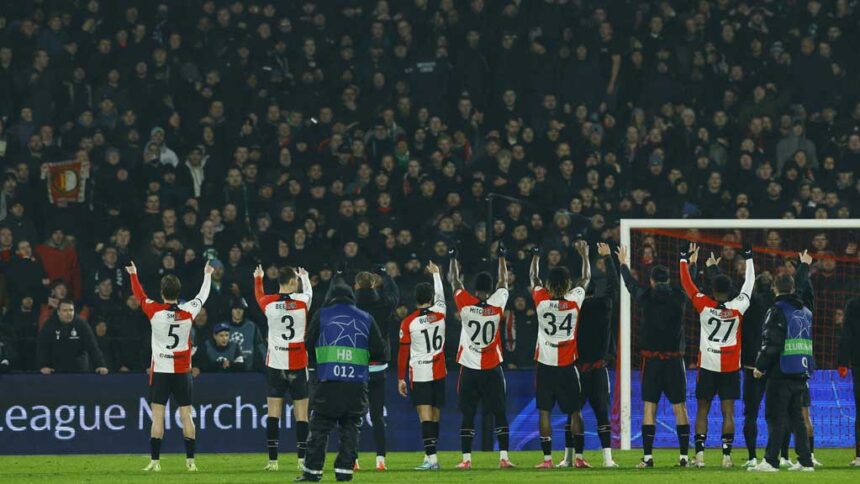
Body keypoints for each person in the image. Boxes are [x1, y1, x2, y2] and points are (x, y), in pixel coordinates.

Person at [297, 270, 387, 482]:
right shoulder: (366, 318)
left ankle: (312, 472)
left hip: (328, 381)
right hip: (356, 383)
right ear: (351, 296)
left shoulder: (323, 314)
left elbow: (308, 344)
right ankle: (345, 471)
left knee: (319, 428)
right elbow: (381, 351)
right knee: (351, 428)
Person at [127, 260, 213, 473]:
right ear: (178, 292)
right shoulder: (188, 311)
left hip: (161, 371)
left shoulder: (154, 310)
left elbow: (139, 295)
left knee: (157, 416)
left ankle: (155, 462)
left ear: (162, 292)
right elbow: (203, 295)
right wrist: (208, 274)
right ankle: (190, 462)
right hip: (182, 372)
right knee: (186, 415)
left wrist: (133, 274)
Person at [680, 243, 755, 468]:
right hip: (731, 368)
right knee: (728, 412)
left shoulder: (704, 304)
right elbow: (749, 284)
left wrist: (683, 259)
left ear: (713, 291)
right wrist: (749, 258)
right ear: (731, 289)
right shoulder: (738, 307)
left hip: (708, 366)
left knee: (702, 410)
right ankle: (726, 457)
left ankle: (700, 456)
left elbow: (687, 284)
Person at [617, 245, 691, 468]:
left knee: (650, 407)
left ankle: (648, 458)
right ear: (668, 280)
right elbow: (690, 284)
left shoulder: (645, 296)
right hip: (675, 361)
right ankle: (684, 457)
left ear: (651, 280)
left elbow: (630, 285)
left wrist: (622, 264)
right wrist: (690, 263)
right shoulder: (679, 296)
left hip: (652, 361)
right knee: (680, 408)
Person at [749, 250, 815, 472]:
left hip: (781, 372)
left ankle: (770, 461)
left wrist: (760, 366)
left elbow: (772, 342)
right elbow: (805, 290)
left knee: (775, 416)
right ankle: (805, 462)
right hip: (801, 370)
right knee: (796, 418)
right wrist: (804, 267)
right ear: (794, 288)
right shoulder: (805, 309)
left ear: (775, 289)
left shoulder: (776, 310)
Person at [449, 245, 514, 469]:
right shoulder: (497, 304)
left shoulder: (465, 304)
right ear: (490, 289)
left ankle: (466, 459)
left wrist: (453, 260)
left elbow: (455, 283)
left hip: (469, 367)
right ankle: (504, 457)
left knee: (467, 413)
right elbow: (504, 282)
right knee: (500, 412)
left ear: (476, 289)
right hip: (493, 366)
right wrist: (502, 258)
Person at [529, 241, 591, 469]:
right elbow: (585, 279)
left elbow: (533, 279)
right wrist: (585, 256)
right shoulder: (574, 299)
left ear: (548, 284)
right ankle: (579, 458)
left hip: (545, 365)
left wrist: (535, 256)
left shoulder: (541, 300)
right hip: (567, 366)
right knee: (575, 411)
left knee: (544, 411)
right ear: (567, 284)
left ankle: (547, 460)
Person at [561, 242, 619, 468]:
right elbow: (614, 285)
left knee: (573, 414)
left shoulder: (573, 310)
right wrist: (608, 259)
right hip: (598, 369)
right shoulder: (604, 305)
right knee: (602, 413)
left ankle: (569, 458)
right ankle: (607, 459)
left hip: (575, 368)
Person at [254, 265, 313, 472]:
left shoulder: (268, 303)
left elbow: (258, 295)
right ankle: (302, 460)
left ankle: (273, 461)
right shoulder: (302, 302)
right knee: (302, 414)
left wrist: (258, 279)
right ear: (291, 282)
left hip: (276, 364)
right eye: (295, 281)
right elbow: (309, 293)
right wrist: (305, 277)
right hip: (298, 364)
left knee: (273, 413)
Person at [397, 261, 446, 471]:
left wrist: (400, 377)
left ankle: (431, 458)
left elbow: (403, 353)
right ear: (431, 298)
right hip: (440, 371)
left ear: (415, 299)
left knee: (424, 416)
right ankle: (432, 457)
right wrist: (436, 274)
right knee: (435, 415)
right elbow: (442, 296)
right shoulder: (441, 312)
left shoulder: (408, 322)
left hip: (420, 372)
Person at [353, 267, 399, 471]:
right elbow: (395, 296)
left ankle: (352, 459)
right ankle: (381, 460)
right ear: (373, 284)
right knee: (377, 415)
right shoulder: (383, 304)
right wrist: (387, 276)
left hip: (356, 365)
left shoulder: (350, 304)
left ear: (356, 286)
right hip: (378, 365)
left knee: (352, 415)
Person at [37, 300, 108, 375]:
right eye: (65, 310)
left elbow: (93, 347)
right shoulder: (49, 325)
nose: (69, 313)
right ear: (58, 312)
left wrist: (100, 365)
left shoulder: (81, 324)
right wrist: (43, 365)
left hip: (79, 370)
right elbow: (43, 347)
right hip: (55, 370)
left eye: (71, 310)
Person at [837, 296, 860, 467]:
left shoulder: (854, 303)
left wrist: (843, 361)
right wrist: (843, 361)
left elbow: (847, 333)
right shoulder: (853, 304)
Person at [226, 297, 265, 371]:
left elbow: (261, 346)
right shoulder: (223, 327)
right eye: (235, 309)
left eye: (241, 309)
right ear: (231, 311)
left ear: (244, 311)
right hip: (229, 370)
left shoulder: (252, 326)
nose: (238, 311)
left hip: (250, 370)